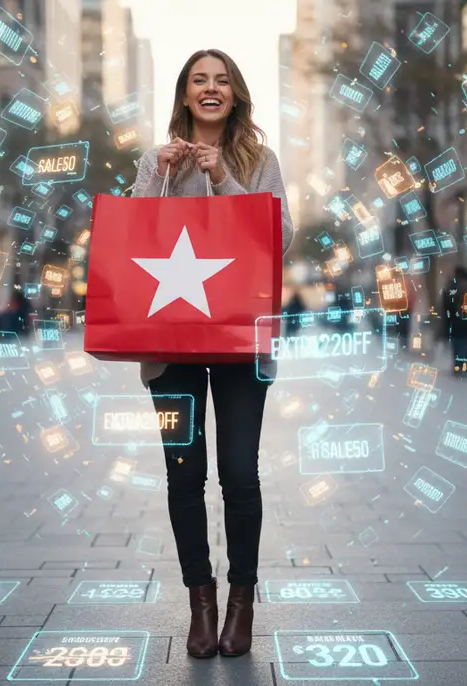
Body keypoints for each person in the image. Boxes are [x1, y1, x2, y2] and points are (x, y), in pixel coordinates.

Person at [130, 48, 293, 660]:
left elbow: (278, 239)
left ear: (236, 93)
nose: (211, 89)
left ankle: (241, 601)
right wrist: (157, 174)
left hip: (239, 341)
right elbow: (130, 236)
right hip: (169, 345)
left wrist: (224, 176)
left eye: (221, 80)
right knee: (184, 473)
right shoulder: (158, 160)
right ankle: (200, 600)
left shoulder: (260, 160)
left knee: (240, 473)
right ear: (184, 93)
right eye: (199, 80)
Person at [442, 267, 467, 375]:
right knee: (464, 343)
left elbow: (447, 304)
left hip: (456, 321)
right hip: (466, 322)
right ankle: (466, 365)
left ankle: (459, 365)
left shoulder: (452, 287)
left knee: (458, 343)